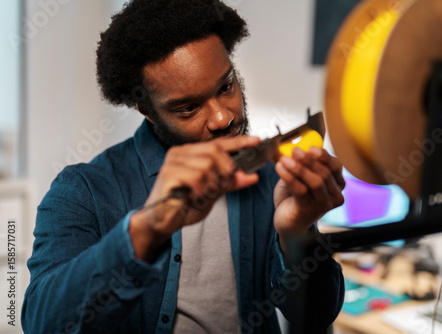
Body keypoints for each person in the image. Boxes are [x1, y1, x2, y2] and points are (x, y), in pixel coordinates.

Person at [21, 0, 345, 333]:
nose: (223, 118)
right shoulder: (82, 191)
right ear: (146, 109)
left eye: (225, 87)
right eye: (188, 108)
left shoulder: (271, 179)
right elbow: (43, 324)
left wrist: (296, 234)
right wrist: (147, 230)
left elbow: (319, 313)